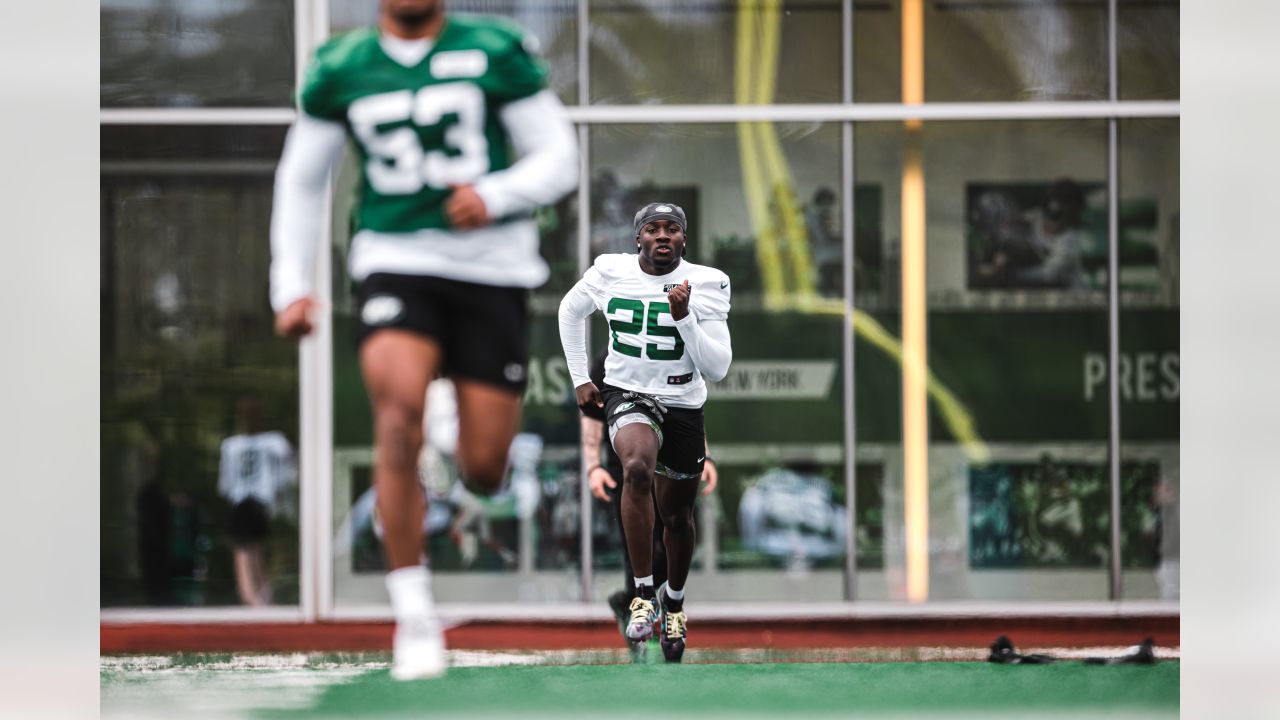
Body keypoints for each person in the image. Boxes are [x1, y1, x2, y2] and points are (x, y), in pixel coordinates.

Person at [269, 0, 578, 680]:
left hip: (492, 269)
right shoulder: (340, 66)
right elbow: (302, 180)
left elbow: (560, 157)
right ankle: (413, 614)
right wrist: (288, 283)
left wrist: (497, 194)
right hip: (395, 259)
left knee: (485, 467)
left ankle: (449, 437)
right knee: (395, 412)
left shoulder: (495, 48)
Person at [559, 202, 732, 662]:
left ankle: (673, 601)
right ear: (637, 238)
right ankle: (641, 596)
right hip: (629, 395)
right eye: (651, 229)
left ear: (683, 239)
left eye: (671, 229)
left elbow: (716, 368)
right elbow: (569, 310)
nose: (661, 236)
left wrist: (684, 316)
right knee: (636, 468)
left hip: (683, 405)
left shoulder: (708, 283)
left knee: (678, 519)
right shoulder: (610, 272)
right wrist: (581, 377)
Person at [579, 349, 718, 655]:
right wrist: (593, 467)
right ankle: (637, 618)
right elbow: (591, 419)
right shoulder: (607, 360)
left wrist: (704, 456)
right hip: (627, 468)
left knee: (671, 539)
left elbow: (690, 409)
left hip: (669, 463)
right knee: (638, 552)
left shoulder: (675, 347)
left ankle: (660, 602)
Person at [217, 398, 297, 607]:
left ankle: (253, 596)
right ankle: (258, 595)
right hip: (257, 502)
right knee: (252, 549)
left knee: (246, 551)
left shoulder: (235, 446)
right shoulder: (270, 443)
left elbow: (225, 484)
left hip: (250, 501)